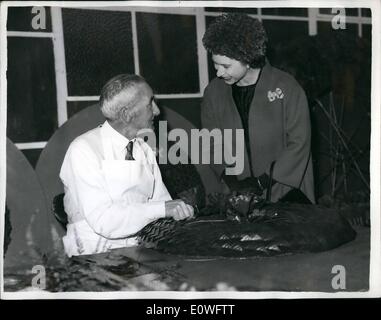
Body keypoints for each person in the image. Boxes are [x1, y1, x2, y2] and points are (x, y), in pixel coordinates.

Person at [60, 74, 194, 257]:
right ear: (126, 114)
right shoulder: (83, 149)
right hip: (93, 254)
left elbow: (161, 202)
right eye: (150, 104)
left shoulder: (143, 147)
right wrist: (162, 208)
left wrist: (179, 212)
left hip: (140, 249)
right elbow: (104, 221)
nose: (156, 111)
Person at [201, 13, 315, 203]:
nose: (219, 72)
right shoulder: (213, 92)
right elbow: (211, 143)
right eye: (215, 64)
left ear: (248, 59)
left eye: (226, 66)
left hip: (286, 191)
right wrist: (231, 181)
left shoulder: (286, 87)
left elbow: (299, 143)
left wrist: (263, 181)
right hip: (238, 194)